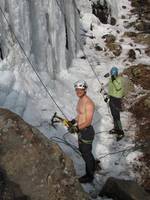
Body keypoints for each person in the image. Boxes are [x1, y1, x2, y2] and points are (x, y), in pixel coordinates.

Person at [69, 80, 96, 183]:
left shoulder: (89, 103)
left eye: (80, 90)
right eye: (77, 89)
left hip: (87, 131)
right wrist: (74, 121)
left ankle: (89, 176)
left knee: (86, 153)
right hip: (82, 130)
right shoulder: (80, 99)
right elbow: (81, 114)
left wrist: (76, 128)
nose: (78, 91)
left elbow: (88, 121)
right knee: (85, 152)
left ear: (85, 90)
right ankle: (92, 166)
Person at [105, 67, 125, 141]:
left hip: (117, 100)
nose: (113, 74)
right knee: (114, 115)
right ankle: (116, 128)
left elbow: (118, 87)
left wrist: (113, 79)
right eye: (112, 73)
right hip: (112, 98)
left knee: (117, 116)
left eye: (114, 73)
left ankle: (121, 132)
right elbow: (111, 89)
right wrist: (107, 97)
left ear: (116, 73)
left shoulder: (119, 79)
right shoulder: (111, 79)